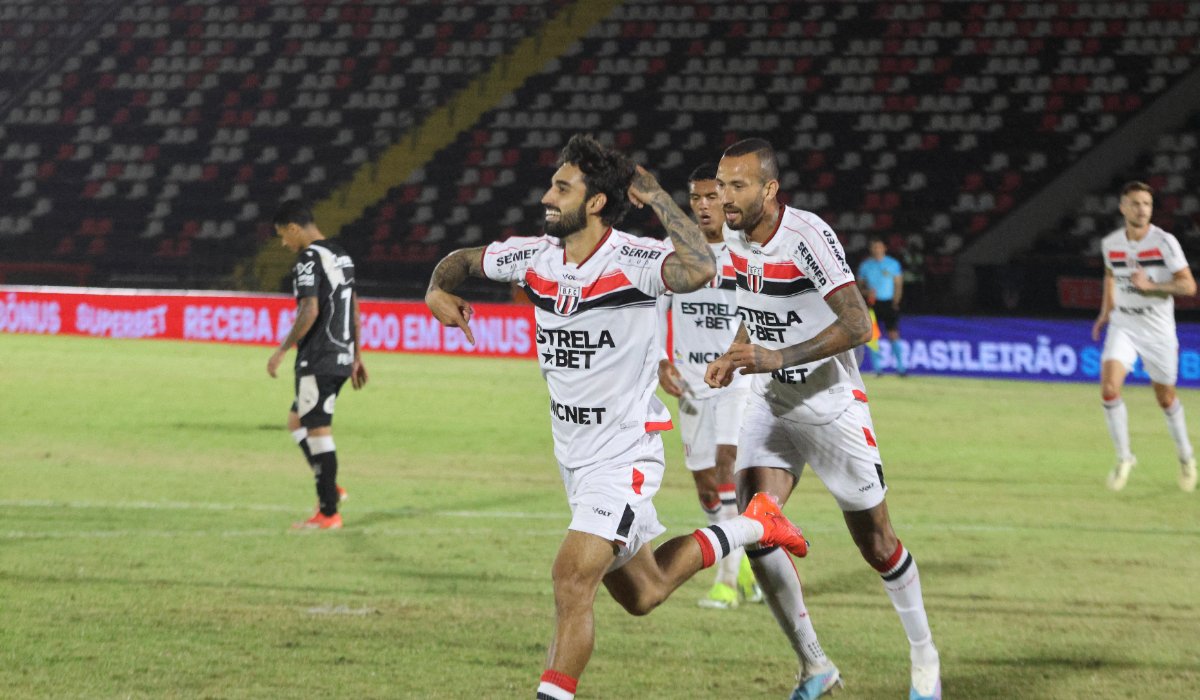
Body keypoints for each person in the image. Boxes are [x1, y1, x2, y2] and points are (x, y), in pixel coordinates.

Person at [425, 134, 811, 700]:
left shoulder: (635, 260)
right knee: (645, 592)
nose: (546, 198)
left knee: (570, 577)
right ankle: (755, 525)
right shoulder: (533, 258)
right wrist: (436, 289)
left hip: (623, 453)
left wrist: (654, 194)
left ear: (597, 201)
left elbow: (700, 267)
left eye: (562, 187)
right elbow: (461, 262)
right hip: (573, 458)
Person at [705, 138, 941, 700]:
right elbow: (754, 313)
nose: (724, 196)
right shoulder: (733, 241)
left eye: (738, 185)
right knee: (758, 525)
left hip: (831, 405)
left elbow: (859, 324)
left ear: (769, 188)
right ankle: (816, 666)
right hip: (772, 401)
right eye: (721, 183)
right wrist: (738, 354)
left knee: (878, 543)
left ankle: (924, 654)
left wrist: (774, 356)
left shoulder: (806, 236)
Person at [656, 162, 761, 610]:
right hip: (691, 380)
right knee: (705, 484)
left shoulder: (748, 250)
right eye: (695, 198)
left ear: (726, 197)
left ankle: (725, 579)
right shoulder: (675, 250)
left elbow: (764, 309)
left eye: (710, 196)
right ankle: (747, 562)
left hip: (736, 377)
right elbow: (650, 308)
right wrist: (660, 360)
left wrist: (741, 353)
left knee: (727, 464)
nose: (702, 205)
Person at [267, 199, 369, 530]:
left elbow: (309, 310)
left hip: (319, 357)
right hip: (340, 356)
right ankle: (331, 485)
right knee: (297, 420)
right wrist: (356, 355)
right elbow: (353, 307)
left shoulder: (309, 259)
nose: (285, 244)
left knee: (318, 429)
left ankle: (328, 512)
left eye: (284, 236)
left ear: (294, 228)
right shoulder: (340, 254)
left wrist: (282, 350)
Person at [1091, 181, 1197, 492]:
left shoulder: (1165, 242)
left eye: (1147, 204)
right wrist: (1105, 312)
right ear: (1122, 207)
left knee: (1165, 398)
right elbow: (1111, 275)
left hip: (1157, 328)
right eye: (1135, 203)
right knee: (1109, 389)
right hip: (1124, 323)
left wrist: (1152, 287)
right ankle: (1125, 458)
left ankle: (1186, 458)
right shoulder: (1111, 243)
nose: (1142, 209)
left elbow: (1189, 286)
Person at [857, 236, 905, 376]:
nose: (876, 249)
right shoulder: (865, 265)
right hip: (873, 303)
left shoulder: (893, 264)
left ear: (884, 248)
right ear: (871, 249)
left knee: (893, 334)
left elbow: (898, 284)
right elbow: (859, 287)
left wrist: (896, 301)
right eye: (874, 247)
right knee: (873, 336)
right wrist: (866, 292)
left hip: (889, 302)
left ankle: (901, 368)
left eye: (879, 247)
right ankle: (877, 369)